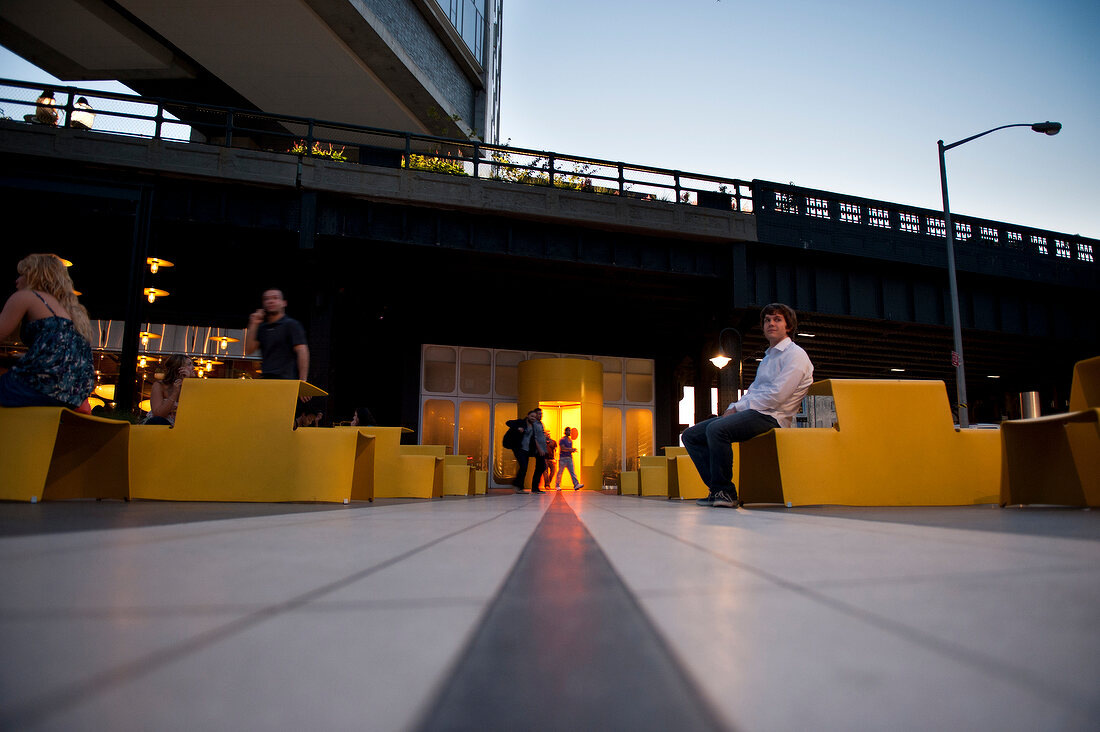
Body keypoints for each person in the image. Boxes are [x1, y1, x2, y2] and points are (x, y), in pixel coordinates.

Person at [683, 303, 813, 508]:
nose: (771, 323)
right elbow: (754, 391)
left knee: (717, 429)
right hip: (755, 411)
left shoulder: (795, 355)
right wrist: (733, 407)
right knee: (690, 436)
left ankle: (726, 492)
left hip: (773, 416)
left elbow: (778, 395)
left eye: (777, 319)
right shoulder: (769, 357)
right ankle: (717, 489)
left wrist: (737, 409)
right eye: (767, 320)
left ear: (788, 326)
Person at [0, 253, 95, 409]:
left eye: (22, 274)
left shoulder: (26, 296)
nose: (17, 280)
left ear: (34, 275)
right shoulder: (72, 311)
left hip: (38, 385)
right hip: (72, 394)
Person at [245, 289, 309, 380]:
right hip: (266, 377)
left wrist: (303, 380)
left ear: (284, 303)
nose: (271, 301)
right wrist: (253, 323)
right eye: (267, 299)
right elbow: (249, 350)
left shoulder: (291, 324)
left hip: (286, 379)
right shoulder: (262, 327)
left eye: (275, 298)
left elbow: (302, 350)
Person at [144, 354, 194, 426]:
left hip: (185, 425)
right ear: (178, 368)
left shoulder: (194, 386)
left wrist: (186, 382)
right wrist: (175, 392)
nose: (193, 367)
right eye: (189, 365)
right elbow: (159, 414)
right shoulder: (159, 386)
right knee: (157, 420)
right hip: (164, 423)